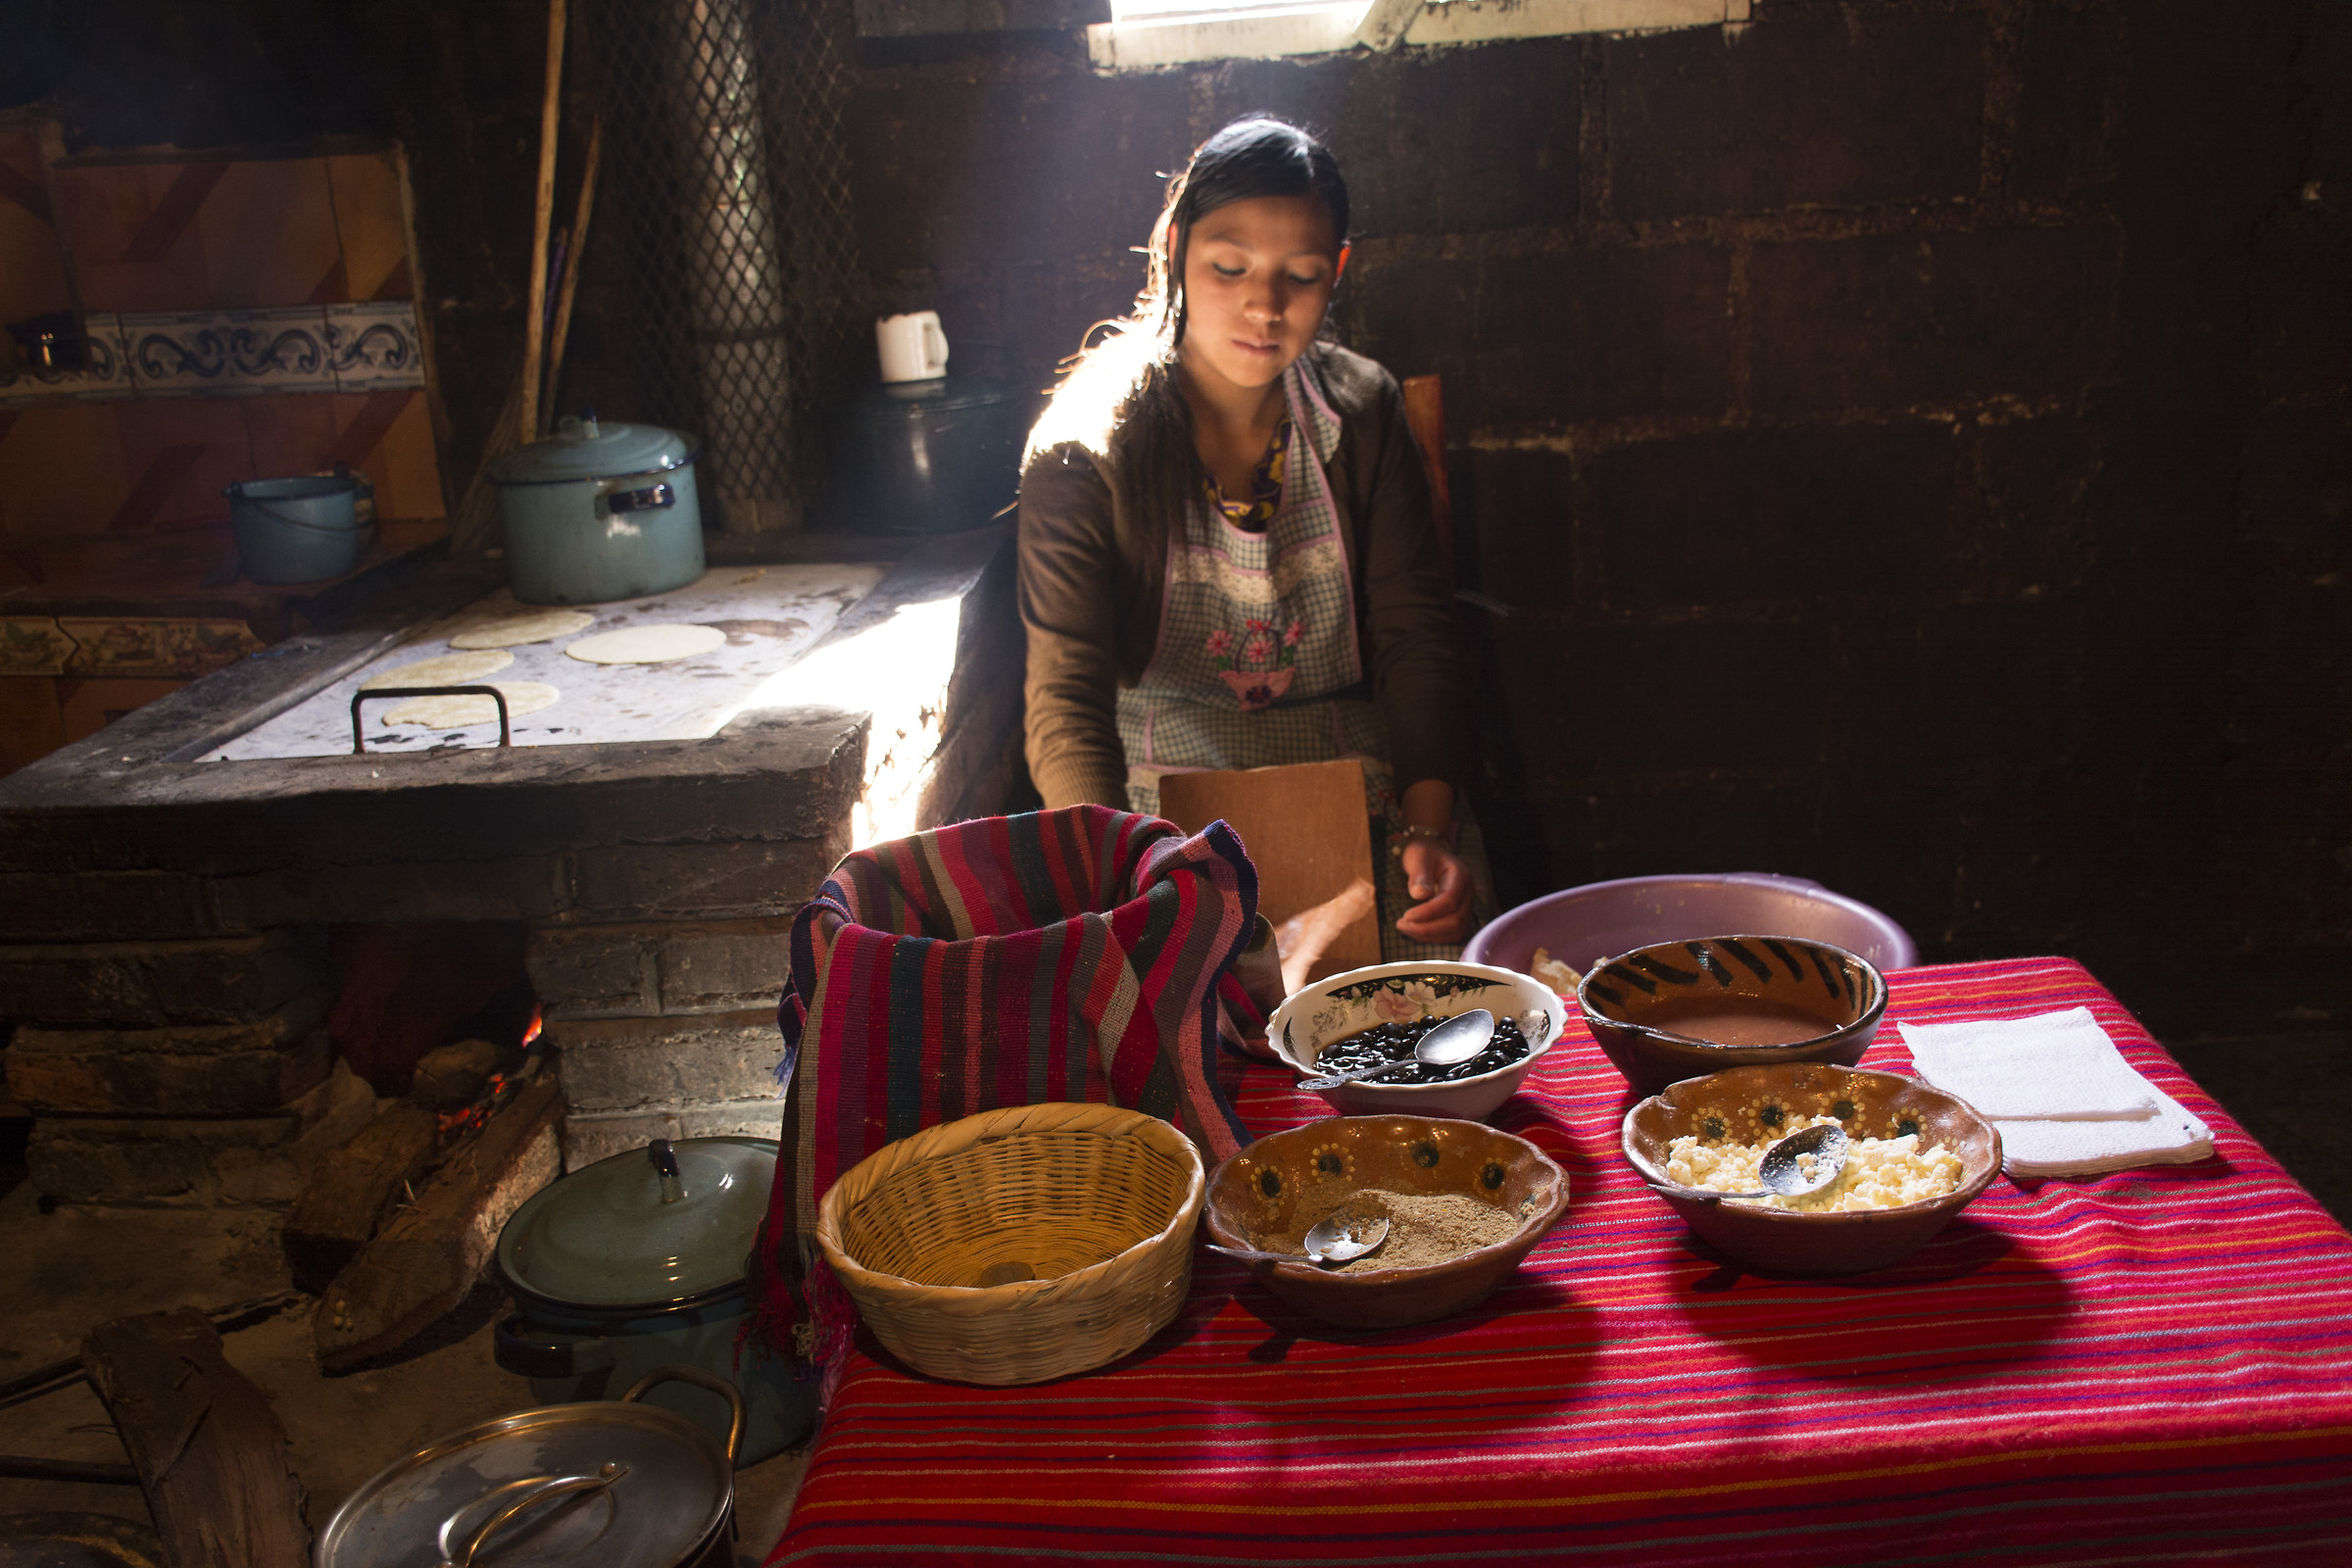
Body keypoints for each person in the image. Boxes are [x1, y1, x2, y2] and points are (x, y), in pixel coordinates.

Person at [1017, 115, 1488, 956]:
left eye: (1301, 276)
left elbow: (1416, 637)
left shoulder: (1361, 411)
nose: (1265, 307)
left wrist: (1429, 830)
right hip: (1152, 796)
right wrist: (1111, 879)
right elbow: (1066, 697)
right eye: (1228, 268)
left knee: (1430, 989)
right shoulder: (1085, 448)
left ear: (1337, 270)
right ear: (1174, 250)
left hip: (1350, 775)